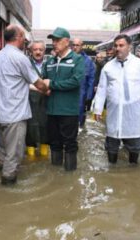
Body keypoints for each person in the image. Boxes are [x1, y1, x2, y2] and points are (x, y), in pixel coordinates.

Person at [0, 25, 48, 185]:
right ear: (19, 36)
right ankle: (7, 189)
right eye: (24, 37)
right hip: (14, 115)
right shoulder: (20, 58)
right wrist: (47, 88)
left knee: (3, 151)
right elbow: (38, 83)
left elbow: (14, 82)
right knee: (14, 154)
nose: (26, 41)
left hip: (0, 114)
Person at [93, 34, 140, 165]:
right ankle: (112, 172)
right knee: (111, 147)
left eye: (121, 45)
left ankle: (133, 172)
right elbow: (102, 89)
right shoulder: (108, 67)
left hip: (132, 113)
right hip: (114, 112)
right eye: (116, 46)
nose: (117, 48)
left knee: (134, 147)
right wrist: (97, 109)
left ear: (129, 47)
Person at [42, 27, 85, 171]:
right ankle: (55, 176)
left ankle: (70, 176)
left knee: (70, 143)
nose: (54, 43)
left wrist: (52, 85)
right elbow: (43, 80)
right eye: (53, 40)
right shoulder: (49, 61)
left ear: (67, 42)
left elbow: (75, 81)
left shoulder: (77, 59)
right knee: (54, 142)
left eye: (57, 40)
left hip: (68, 111)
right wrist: (43, 87)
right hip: (52, 110)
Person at [26, 40, 49, 157]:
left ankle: (44, 156)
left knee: (45, 127)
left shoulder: (49, 64)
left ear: (44, 51)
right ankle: (30, 156)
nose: (38, 52)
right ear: (31, 51)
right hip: (29, 101)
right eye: (35, 50)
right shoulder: (26, 64)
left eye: (41, 50)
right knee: (30, 128)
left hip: (46, 102)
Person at [72, 38, 95, 127]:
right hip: (68, 94)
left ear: (82, 46)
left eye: (77, 45)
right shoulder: (67, 58)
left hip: (81, 94)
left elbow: (91, 80)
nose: (75, 47)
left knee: (79, 117)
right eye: (73, 45)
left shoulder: (88, 61)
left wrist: (88, 97)